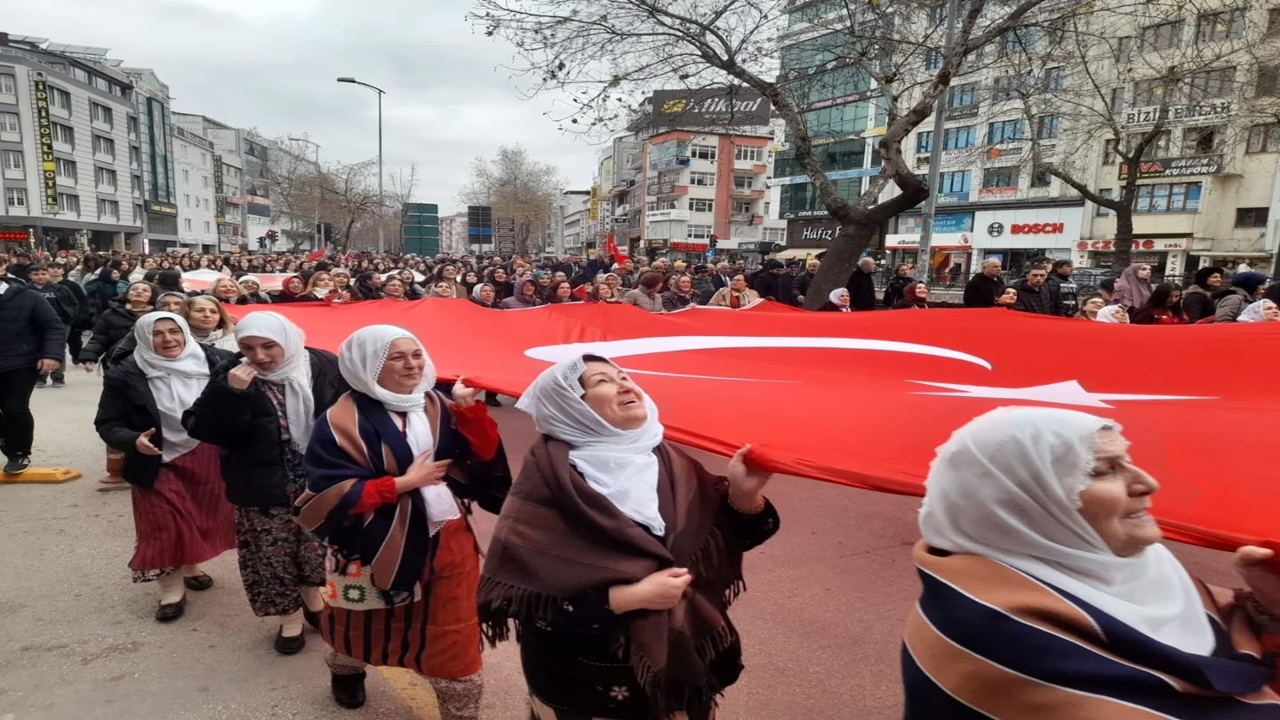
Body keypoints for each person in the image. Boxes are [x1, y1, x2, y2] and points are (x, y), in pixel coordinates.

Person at [903, 406, 1280, 718]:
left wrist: (1268, 610)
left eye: (1129, 462)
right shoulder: (993, 635)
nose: (1148, 483)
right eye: (1102, 470)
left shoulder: (1143, 568)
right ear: (1020, 501)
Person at [478, 355, 780, 720]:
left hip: (679, 672)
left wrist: (743, 497)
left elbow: (724, 543)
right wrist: (627, 598)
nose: (624, 384)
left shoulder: (668, 460)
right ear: (570, 407)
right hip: (585, 684)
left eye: (623, 375)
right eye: (602, 381)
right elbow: (527, 602)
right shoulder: (549, 483)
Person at [296, 326, 512, 714]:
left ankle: (459, 706)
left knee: (453, 627)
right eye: (396, 357)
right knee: (359, 619)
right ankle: (346, 671)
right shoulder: (339, 420)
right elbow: (323, 494)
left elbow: (484, 457)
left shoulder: (440, 403)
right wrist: (400, 484)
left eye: (416, 354)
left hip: (447, 535)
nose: (413, 364)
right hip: (369, 541)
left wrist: (468, 411)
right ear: (367, 366)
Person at [184, 312, 347, 654]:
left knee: (314, 549)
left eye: (269, 346)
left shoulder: (322, 364)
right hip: (260, 482)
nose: (258, 357)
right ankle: (288, 618)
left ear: (286, 340)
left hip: (316, 479)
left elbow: (350, 413)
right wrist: (232, 393)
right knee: (272, 555)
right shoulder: (231, 372)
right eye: (248, 347)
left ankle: (313, 600)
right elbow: (202, 428)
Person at [92, 313, 236, 621]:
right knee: (161, 526)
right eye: (157, 334)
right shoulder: (125, 373)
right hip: (156, 459)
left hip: (208, 456)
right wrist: (132, 440)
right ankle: (171, 592)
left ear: (185, 332)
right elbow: (107, 422)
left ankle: (190, 566)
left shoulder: (219, 362)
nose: (168, 339)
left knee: (199, 519)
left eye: (174, 331)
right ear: (144, 338)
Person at [0, 256, 67, 474]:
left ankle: (19, 453)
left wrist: (51, 354)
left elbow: (53, 326)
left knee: (14, 407)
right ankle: (5, 439)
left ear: (2, 268)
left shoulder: (26, 296)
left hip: (20, 361)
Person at [26, 264, 79, 388]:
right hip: (34, 324)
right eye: (36, 274)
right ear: (30, 276)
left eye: (43, 274)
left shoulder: (60, 289)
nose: (40, 277)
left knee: (58, 347)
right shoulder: (25, 290)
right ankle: (41, 373)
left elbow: (73, 304)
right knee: (38, 348)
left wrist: (70, 319)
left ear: (48, 274)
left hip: (59, 324)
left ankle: (58, 374)